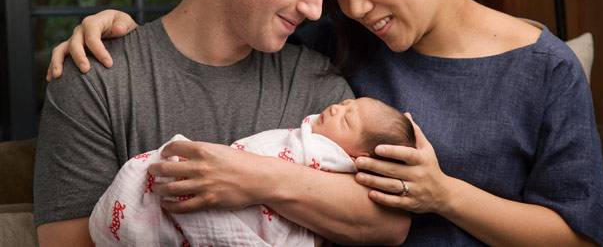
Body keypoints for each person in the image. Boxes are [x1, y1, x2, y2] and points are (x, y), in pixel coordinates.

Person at [48, 0, 603, 247]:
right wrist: (116, 25)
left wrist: (444, 195)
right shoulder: (344, 42)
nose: (340, 7)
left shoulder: (545, 69)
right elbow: (226, 12)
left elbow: (576, 234)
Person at [32, 0, 411, 247]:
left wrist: (254, 178)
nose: (316, 8)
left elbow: (387, 225)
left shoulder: (316, 88)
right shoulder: (98, 78)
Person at [89, 98, 415, 247]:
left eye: (346, 118)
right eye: (345, 104)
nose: (336, 108)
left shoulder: (328, 149)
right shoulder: (109, 78)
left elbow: (392, 224)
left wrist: (254, 177)